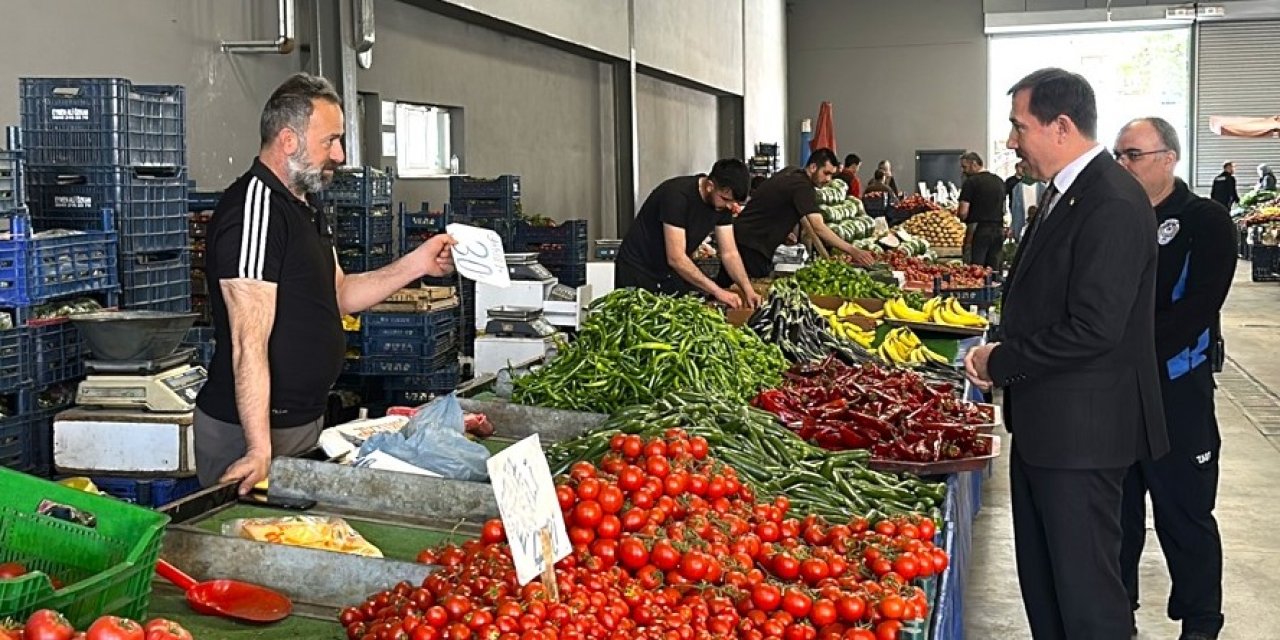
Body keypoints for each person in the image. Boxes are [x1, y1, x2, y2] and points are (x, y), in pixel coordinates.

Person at [964, 68, 1170, 640]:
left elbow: (1094, 327)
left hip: (1083, 434)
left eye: (1017, 127)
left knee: (1087, 598)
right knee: (1047, 587)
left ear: (1060, 126)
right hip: (1048, 427)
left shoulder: (1110, 201)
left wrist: (1000, 361)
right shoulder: (1063, 195)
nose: (1010, 142)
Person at [196, 73, 457, 493]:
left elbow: (340, 295)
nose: (339, 154)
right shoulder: (255, 212)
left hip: (300, 421)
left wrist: (417, 264)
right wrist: (259, 447)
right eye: (329, 141)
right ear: (288, 140)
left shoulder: (305, 207)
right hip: (250, 431)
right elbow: (248, 341)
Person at [1114, 117, 1235, 640]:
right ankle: (1118, 612)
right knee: (1117, 515)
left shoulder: (1204, 221)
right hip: (1117, 394)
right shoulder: (1115, 218)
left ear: (1168, 157)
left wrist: (1118, 350)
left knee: (1184, 513)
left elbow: (1198, 309)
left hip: (1175, 392)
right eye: (1117, 155)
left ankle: (1202, 619)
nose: (1122, 165)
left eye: (1132, 155)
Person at [615, 159, 760, 309]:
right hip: (638, 269)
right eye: (726, 199)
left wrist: (748, 290)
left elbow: (730, 253)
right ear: (710, 186)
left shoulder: (722, 206)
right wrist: (718, 291)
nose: (731, 206)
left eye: (735, 201)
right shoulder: (677, 196)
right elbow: (676, 258)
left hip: (667, 274)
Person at [717, 148, 876, 283]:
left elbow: (776, 202)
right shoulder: (803, 186)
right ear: (813, 167)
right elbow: (818, 227)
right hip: (752, 246)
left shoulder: (791, 172)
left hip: (741, 238)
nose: (828, 180)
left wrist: (784, 231)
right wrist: (852, 250)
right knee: (746, 293)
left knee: (726, 286)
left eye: (832, 176)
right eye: (826, 173)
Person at [956, 151, 1006, 269]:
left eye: (965, 167)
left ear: (974, 164)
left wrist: (960, 216)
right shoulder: (999, 181)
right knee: (993, 268)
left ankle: (978, 288)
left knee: (976, 269)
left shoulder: (971, 182)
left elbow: (963, 212)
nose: (963, 171)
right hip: (998, 229)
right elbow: (1003, 207)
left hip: (978, 230)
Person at [1004, 160, 1045, 239]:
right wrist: (1013, 227)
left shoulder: (1042, 187)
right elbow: (1014, 209)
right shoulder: (1017, 188)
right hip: (1022, 223)